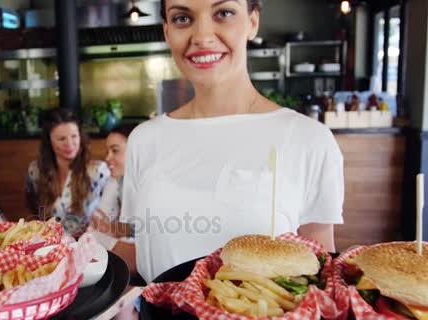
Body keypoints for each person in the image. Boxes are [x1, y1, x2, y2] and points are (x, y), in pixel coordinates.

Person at [120, 0, 344, 283]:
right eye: (181, 18)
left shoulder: (309, 139)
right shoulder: (143, 140)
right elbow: (147, 249)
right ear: (166, 31)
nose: (201, 36)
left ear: (252, 22)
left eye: (223, 13)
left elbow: (320, 269)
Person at [25, 108, 110, 236]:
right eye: (61, 139)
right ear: (49, 141)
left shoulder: (98, 171)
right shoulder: (35, 171)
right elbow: (35, 211)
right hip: (49, 246)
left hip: (87, 246)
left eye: (74, 136)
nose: (70, 144)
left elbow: (113, 214)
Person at [90, 123, 137, 274]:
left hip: (148, 255)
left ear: (136, 151)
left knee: (91, 242)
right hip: (131, 247)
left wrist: (112, 230)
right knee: (91, 238)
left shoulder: (151, 185)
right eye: (108, 151)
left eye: (115, 151)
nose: (107, 157)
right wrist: (112, 230)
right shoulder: (119, 179)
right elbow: (99, 221)